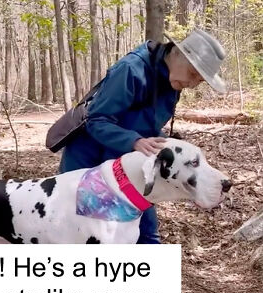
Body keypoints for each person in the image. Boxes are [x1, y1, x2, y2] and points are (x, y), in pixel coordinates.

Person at [59, 29, 226, 244]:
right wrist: (134, 141)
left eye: (200, 80)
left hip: (130, 163)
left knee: (146, 233)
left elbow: (147, 122)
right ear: (176, 53)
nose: (193, 84)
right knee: (82, 232)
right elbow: (96, 119)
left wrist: (165, 143)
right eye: (193, 74)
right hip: (89, 157)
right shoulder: (131, 70)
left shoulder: (173, 79)